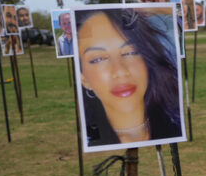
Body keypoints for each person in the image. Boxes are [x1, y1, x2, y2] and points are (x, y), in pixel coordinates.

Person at [76, 8, 182, 146]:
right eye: (98, 59)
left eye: (130, 53)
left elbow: (183, 13)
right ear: (83, 79)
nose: (120, 71)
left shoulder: (176, 124)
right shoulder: (92, 140)